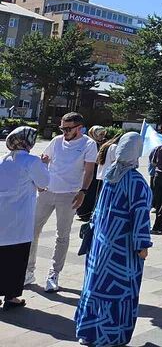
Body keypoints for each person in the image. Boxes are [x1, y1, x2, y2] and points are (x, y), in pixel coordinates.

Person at [75, 132, 152, 346]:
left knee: (96, 286)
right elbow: (140, 214)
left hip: (101, 244)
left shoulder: (110, 173)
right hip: (122, 249)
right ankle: (111, 335)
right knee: (119, 291)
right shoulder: (136, 181)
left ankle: (89, 332)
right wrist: (142, 244)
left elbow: (99, 209)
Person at [26, 112, 98, 292]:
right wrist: (40, 179)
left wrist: (83, 192)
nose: (64, 131)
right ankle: (29, 271)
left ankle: (54, 273)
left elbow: (89, 172)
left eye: (68, 128)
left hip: (69, 194)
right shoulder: (57, 141)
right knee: (32, 230)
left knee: (62, 235)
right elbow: (44, 159)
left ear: (79, 128)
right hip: (47, 191)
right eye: (62, 128)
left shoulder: (88, 144)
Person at [0, 127, 49, 311]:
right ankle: (11, 297)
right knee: (16, 259)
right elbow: (44, 182)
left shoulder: (3, 160)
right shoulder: (32, 161)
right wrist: (45, 164)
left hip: (2, 216)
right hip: (19, 220)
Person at [76, 126, 107, 221]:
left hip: (98, 173)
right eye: (100, 134)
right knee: (87, 193)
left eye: (103, 134)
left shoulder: (104, 144)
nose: (102, 136)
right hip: (89, 172)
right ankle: (83, 212)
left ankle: (91, 212)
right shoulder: (88, 143)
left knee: (95, 193)